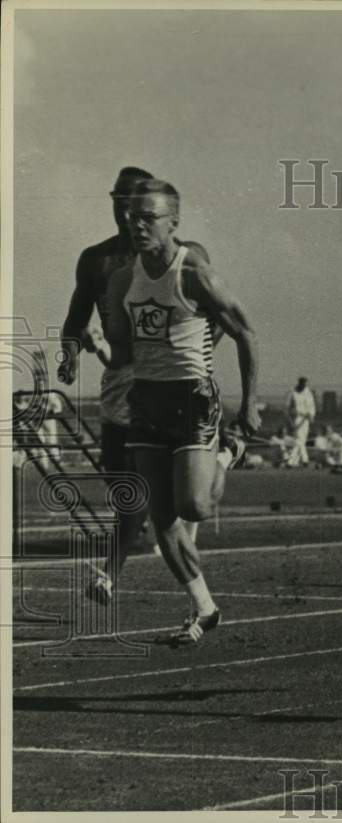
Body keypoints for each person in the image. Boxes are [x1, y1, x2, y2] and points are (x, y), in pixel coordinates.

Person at [105, 178, 259, 644]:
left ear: (174, 222)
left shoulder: (194, 274)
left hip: (191, 397)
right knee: (162, 517)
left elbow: (246, 334)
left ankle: (228, 452)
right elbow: (122, 346)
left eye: (148, 217)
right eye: (131, 216)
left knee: (194, 504)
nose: (137, 225)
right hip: (147, 398)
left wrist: (249, 404)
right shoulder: (120, 280)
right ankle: (205, 605)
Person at [57, 167, 214, 602]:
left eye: (133, 204)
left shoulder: (184, 256)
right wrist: (68, 356)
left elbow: (216, 315)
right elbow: (75, 319)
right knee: (120, 480)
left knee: (142, 489)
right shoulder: (97, 259)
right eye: (117, 201)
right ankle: (166, 523)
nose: (125, 212)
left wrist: (197, 357)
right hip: (118, 375)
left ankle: (110, 572)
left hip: (168, 378)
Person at [286, 376, 316, 468]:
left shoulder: (308, 393)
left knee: (301, 441)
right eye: (302, 384)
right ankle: (303, 460)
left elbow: (311, 406)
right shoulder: (293, 392)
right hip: (297, 417)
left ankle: (294, 461)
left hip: (306, 419)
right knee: (299, 440)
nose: (304, 386)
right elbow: (287, 407)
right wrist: (290, 421)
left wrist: (311, 416)